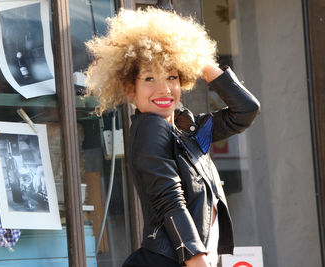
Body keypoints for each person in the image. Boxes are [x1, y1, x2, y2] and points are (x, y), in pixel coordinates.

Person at [85, 7, 260, 267]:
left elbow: (245, 111)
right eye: (148, 78)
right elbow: (170, 202)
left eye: (172, 76)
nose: (163, 88)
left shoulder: (186, 129)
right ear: (129, 88)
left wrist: (199, 61)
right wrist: (198, 261)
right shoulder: (151, 128)